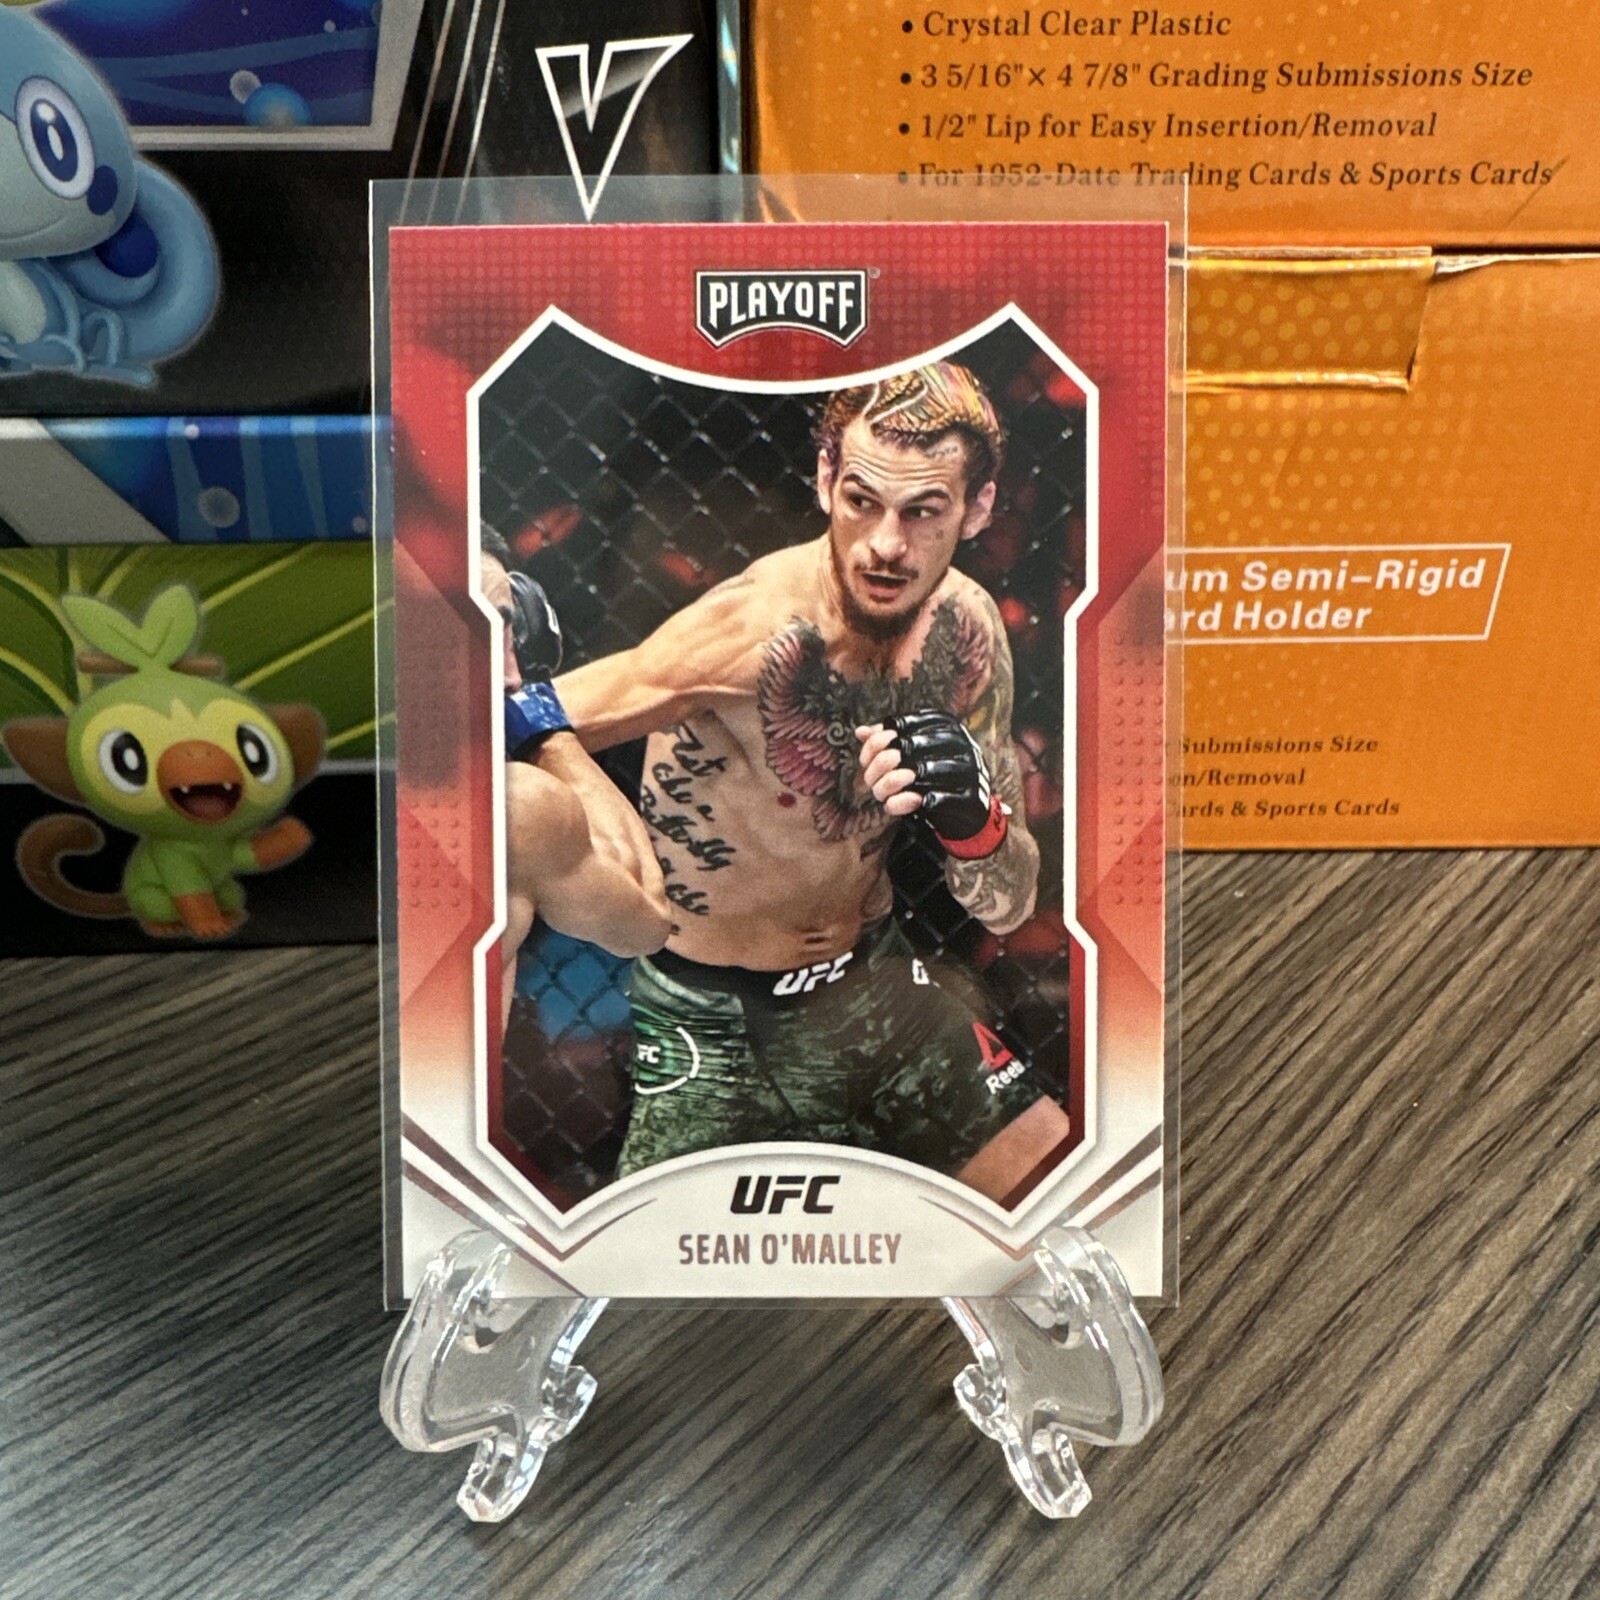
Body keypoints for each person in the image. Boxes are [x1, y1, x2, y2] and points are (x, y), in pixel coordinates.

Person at [553, 361, 1072, 1203]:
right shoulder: (751, 628)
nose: (886, 545)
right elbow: (528, 722)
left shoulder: (966, 633)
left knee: (1060, 1199)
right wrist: (601, 846)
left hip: (869, 984)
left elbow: (1008, 905)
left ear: (976, 509)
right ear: (828, 480)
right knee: (646, 1263)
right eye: (863, 501)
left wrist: (972, 822)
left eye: (923, 511)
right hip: (709, 1017)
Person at [478, 530, 670, 1030]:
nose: (512, 677)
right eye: (483, 630)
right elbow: (645, 919)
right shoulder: (514, 806)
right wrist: (544, 730)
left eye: (507, 628)